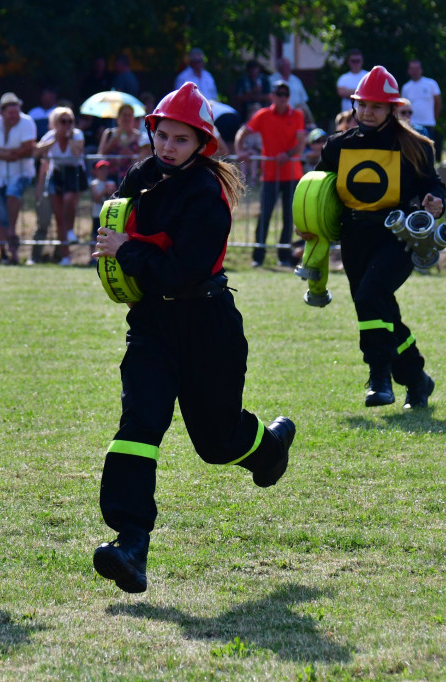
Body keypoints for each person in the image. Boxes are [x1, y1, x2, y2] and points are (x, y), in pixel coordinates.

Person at [91, 82, 296, 594]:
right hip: (152, 327)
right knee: (139, 424)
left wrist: (125, 252)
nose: (167, 147)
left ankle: (267, 449)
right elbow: (122, 228)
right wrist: (116, 249)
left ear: (202, 143)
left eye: (180, 139)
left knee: (216, 442)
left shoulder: (206, 194)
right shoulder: (142, 177)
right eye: (161, 135)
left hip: (206, 326)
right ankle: (131, 542)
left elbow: (182, 271)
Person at [314, 65, 444, 409]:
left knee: (371, 294)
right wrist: (308, 222)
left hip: (396, 236)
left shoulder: (415, 145)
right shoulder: (337, 145)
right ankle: (417, 379)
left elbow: (433, 183)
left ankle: (379, 377)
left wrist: (436, 201)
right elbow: (316, 192)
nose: (368, 112)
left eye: (376, 106)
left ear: (391, 108)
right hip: (354, 237)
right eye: (362, 105)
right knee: (380, 308)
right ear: (355, 106)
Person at [235, 79, 306, 267]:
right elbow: (243, 132)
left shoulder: (298, 115)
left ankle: (284, 257)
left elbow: (301, 143)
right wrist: (240, 150)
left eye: (285, 94)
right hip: (270, 175)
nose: (282, 98)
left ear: (288, 97)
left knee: (289, 218)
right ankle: (257, 257)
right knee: (264, 215)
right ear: (272, 96)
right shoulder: (263, 115)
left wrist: (288, 154)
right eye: (278, 94)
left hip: (292, 175)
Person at [0, 92, 36, 264]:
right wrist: (6, 154)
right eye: (10, 113)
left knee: (12, 194)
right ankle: (12, 252)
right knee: (1, 215)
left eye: (16, 112)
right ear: (2, 112)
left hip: (22, 173)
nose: (14, 116)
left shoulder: (27, 122)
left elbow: (26, 149)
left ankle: (11, 233)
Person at [34, 107, 86, 265]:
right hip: (56, 174)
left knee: (70, 200)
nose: (67, 125)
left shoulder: (77, 135)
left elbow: (78, 151)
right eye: (63, 121)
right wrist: (55, 140)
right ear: (55, 123)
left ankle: (70, 230)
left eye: (70, 121)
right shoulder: (51, 136)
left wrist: (69, 139)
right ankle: (65, 256)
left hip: (74, 173)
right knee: (59, 217)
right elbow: (36, 152)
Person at [400, 60, 442, 160]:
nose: (415, 71)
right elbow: (403, 107)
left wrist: (433, 119)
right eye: (412, 69)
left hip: (428, 125)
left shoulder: (431, 84)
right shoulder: (406, 87)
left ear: (421, 70)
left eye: (417, 68)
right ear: (409, 71)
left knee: (428, 155)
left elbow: (438, 103)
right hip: (411, 125)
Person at [98, 103, 149, 182]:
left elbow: (143, 158)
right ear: (118, 117)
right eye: (124, 115)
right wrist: (111, 143)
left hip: (131, 177)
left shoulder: (140, 136)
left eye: (129, 115)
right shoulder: (109, 133)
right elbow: (100, 155)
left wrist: (130, 154)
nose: (127, 118)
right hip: (110, 176)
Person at [274, 57, 314, 127]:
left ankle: (312, 128)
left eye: (289, 66)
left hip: (296, 112)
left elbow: (304, 100)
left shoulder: (296, 80)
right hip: (277, 112)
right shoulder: (272, 79)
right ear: (280, 67)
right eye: (285, 66)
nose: (287, 68)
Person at [336, 49, 368, 113]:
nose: (355, 63)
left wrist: (350, 92)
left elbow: (372, 92)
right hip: (347, 115)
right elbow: (341, 92)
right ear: (349, 62)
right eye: (353, 61)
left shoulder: (368, 76)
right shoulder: (343, 78)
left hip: (365, 114)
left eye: (358, 61)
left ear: (362, 61)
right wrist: (363, 91)